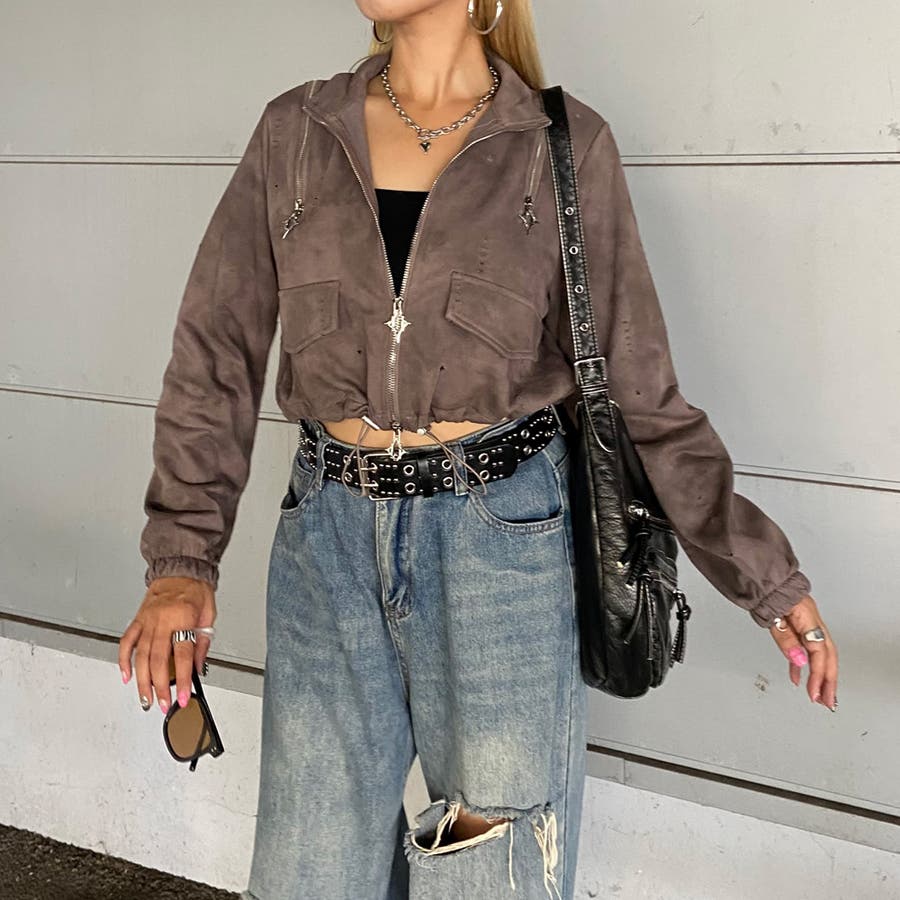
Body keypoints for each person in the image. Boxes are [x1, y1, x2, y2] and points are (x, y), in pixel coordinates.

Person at [118, 1, 839, 897]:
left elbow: (642, 392)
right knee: (308, 873)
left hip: (501, 550)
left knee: (492, 872)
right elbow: (214, 353)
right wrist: (182, 559)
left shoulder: (558, 147)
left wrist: (766, 576)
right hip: (325, 546)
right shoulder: (295, 133)